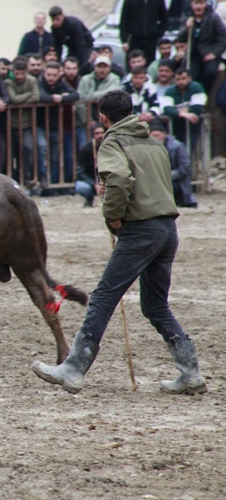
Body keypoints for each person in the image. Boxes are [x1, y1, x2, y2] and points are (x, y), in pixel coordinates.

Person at [32, 89, 207, 395]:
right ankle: (190, 372)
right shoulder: (154, 144)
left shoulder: (113, 142)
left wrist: (112, 217)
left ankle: (73, 369)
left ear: (104, 117)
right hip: (167, 230)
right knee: (155, 306)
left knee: (102, 297)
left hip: (139, 231)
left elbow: (120, 180)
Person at [38, 60, 80, 190]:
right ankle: (43, 181)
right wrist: (54, 98)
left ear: (59, 75)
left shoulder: (61, 84)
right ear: (44, 74)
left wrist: (62, 98)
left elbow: (76, 95)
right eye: (48, 75)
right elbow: (40, 96)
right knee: (41, 148)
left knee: (55, 158)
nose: (51, 78)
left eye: (54, 75)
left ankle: (53, 185)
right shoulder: (39, 83)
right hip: (40, 125)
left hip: (56, 127)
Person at [176, 0, 226, 94]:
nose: (198, 7)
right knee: (190, 74)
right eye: (196, 3)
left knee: (210, 72)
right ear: (191, 5)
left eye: (201, 3)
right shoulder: (187, 17)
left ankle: (204, 94)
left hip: (209, 54)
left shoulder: (213, 17)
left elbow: (223, 37)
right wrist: (187, 28)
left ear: (205, 4)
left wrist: (214, 53)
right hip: (193, 54)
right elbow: (181, 38)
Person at [5, 58, 41, 185]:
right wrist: (28, 95)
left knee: (27, 149)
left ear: (26, 71)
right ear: (13, 71)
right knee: (11, 153)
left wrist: (21, 100)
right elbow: (13, 99)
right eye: (17, 73)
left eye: (22, 73)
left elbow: (36, 97)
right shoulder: (8, 82)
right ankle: (12, 180)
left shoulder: (32, 80)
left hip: (26, 124)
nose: (19, 76)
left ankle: (26, 178)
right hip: (11, 124)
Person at [148, 118, 198, 208]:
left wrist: (165, 176)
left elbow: (184, 168)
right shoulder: (148, 148)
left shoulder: (177, 146)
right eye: (152, 136)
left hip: (175, 181)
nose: (155, 139)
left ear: (164, 134)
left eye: (157, 135)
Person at [160, 67, 207, 155]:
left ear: (189, 78)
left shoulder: (196, 87)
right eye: (178, 79)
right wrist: (184, 114)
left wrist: (179, 111)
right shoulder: (170, 91)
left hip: (192, 126)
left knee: (189, 151)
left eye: (183, 79)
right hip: (175, 126)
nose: (181, 82)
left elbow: (198, 107)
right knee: (175, 152)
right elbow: (166, 109)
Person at [120, 0, 168, 68]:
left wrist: (158, 35)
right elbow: (123, 21)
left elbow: (164, 19)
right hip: (134, 40)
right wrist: (124, 40)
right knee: (134, 64)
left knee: (150, 65)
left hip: (151, 41)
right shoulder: (129, 1)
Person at [49, 6, 94, 74]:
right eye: (53, 20)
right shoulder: (54, 29)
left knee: (83, 65)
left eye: (57, 19)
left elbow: (81, 44)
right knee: (68, 64)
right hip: (71, 47)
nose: (55, 22)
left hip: (85, 45)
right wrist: (58, 63)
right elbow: (57, 47)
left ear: (62, 16)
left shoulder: (73, 24)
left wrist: (82, 65)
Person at [74, 122, 105, 207]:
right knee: (81, 187)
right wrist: (94, 184)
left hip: (108, 182)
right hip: (92, 182)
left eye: (102, 133)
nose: (100, 136)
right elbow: (80, 172)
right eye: (97, 133)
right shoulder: (86, 149)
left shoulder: (112, 146)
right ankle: (89, 199)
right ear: (93, 135)